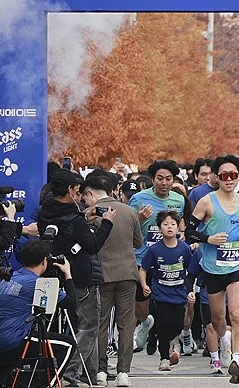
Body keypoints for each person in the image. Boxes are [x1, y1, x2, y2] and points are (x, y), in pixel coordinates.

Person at [186, 155, 239, 384]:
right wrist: (208, 238)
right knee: (218, 319)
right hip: (213, 267)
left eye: (233, 175)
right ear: (217, 177)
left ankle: (236, 359)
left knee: (236, 313)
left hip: (238, 264)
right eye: (224, 175)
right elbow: (189, 232)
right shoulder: (206, 202)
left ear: (238, 177)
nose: (229, 179)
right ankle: (224, 341)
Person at [38, 168, 115, 387]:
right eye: (77, 191)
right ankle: (69, 374)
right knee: (88, 326)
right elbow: (92, 245)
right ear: (70, 190)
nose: (79, 195)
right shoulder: (74, 218)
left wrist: (84, 217)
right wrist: (107, 222)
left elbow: (65, 233)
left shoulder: (45, 212)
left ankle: (87, 374)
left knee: (70, 326)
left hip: (56, 275)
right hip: (81, 275)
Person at [88, 172, 142, 387]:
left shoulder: (90, 213)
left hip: (102, 274)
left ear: (91, 192)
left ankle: (101, 370)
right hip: (128, 273)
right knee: (126, 324)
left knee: (101, 323)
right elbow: (138, 242)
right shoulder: (129, 211)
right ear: (112, 189)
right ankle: (123, 372)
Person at [129, 160, 189, 354]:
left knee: (166, 306)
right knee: (141, 304)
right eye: (160, 179)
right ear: (152, 179)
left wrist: (181, 233)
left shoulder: (179, 200)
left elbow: (180, 223)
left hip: (168, 260)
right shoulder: (138, 199)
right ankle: (145, 322)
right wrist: (140, 218)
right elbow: (128, 226)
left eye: (168, 179)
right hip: (143, 258)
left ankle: (162, 339)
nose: (164, 183)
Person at [0, 241, 76, 380]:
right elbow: (72, 303)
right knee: (68, 344)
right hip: (12, 342)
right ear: (45, 260)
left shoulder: (9, 277)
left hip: (2, 340)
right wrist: (68, 273)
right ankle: (45, 383)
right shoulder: (39, 284)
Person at [138, 211, 192, 373]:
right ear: (159, 228)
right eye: (165, 224)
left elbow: (190, 270)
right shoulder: (154, 250)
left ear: (178, 228)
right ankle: (164, 358)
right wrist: (144, 285)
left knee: (177, 324)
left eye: (173, 224)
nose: (169, 227)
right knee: (164, 324)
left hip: (179, 293)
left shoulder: (184, 249)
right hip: (160, 293)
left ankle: (167, 340)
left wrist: (190, 290)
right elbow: (143, 269)